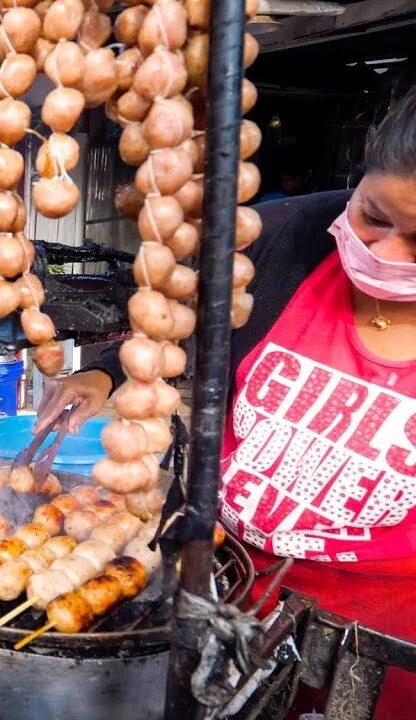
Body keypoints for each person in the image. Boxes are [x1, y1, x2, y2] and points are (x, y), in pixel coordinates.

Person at [36, 86, 416, 718]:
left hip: (377, 639)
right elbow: (180, 317)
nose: (382, 253)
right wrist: (105, 374)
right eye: (375, 216)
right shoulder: (290, 235)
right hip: (222, 580)